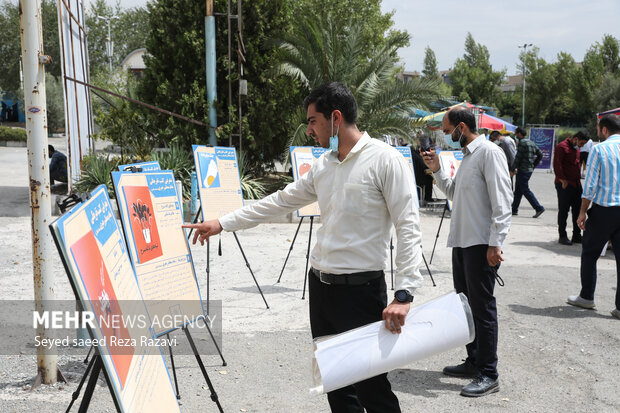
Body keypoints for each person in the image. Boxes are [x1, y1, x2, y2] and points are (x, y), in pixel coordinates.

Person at [184, 82, 423, 412]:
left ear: (335, 118)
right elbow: (280, 201)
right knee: (337, 387)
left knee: (373, 389)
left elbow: (408, 226)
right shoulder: (325, 165)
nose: (309, 130)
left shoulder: (385, 160)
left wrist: (404, 294)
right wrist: (222, 223)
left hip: (361, 292)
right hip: (322, 290)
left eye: (313, 121)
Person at [421, 107, 512, 397]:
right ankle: (474, 361)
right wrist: (436, 169)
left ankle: (489, 373)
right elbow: (453, 193)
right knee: (466, 308)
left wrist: (495, 243)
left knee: (483, 308)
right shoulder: (468, 157)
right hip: (462, 243)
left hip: (481, 245)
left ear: (462, 126)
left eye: (448, 132)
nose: (447, 137)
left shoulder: (489, 153)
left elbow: (502, 201)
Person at [567, 114, 620, 320]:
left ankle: (587, 296)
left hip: (605, 209)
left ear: (604, 130)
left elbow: (590, 184)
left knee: (590, 253)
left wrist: (582, 211)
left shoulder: (599, 149)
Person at [553, 131, 589, 245]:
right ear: (576, 139)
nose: (582, 146)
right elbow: (557, 164)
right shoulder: (561, 147)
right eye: (581, 143)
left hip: (576, 184)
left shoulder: (577, 149)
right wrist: (563, 180)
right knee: (564, 210)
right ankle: (562, 236)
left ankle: (577, 235)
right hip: (565, 183)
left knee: (578, 210)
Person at [511, 127, 545, 218]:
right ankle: (514, 209)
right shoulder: (531, 142)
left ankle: (539, 208)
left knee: (525, 190)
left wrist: (512, 169)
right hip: (528, 170)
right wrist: (533, 165)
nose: (515, 135)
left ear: (519, 134)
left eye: (516, 133)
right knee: (518, 191)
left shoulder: (522, 143)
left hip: (523, 170)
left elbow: (517, 158)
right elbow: (540, 154)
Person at [412, 135, 434, 203]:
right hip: (417, 176)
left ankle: (427, 198)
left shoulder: (421, 151)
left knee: (429, 178)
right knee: (428, 179)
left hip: (421, 173)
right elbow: (423, 164)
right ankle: (426, 198)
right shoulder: (414, 153)